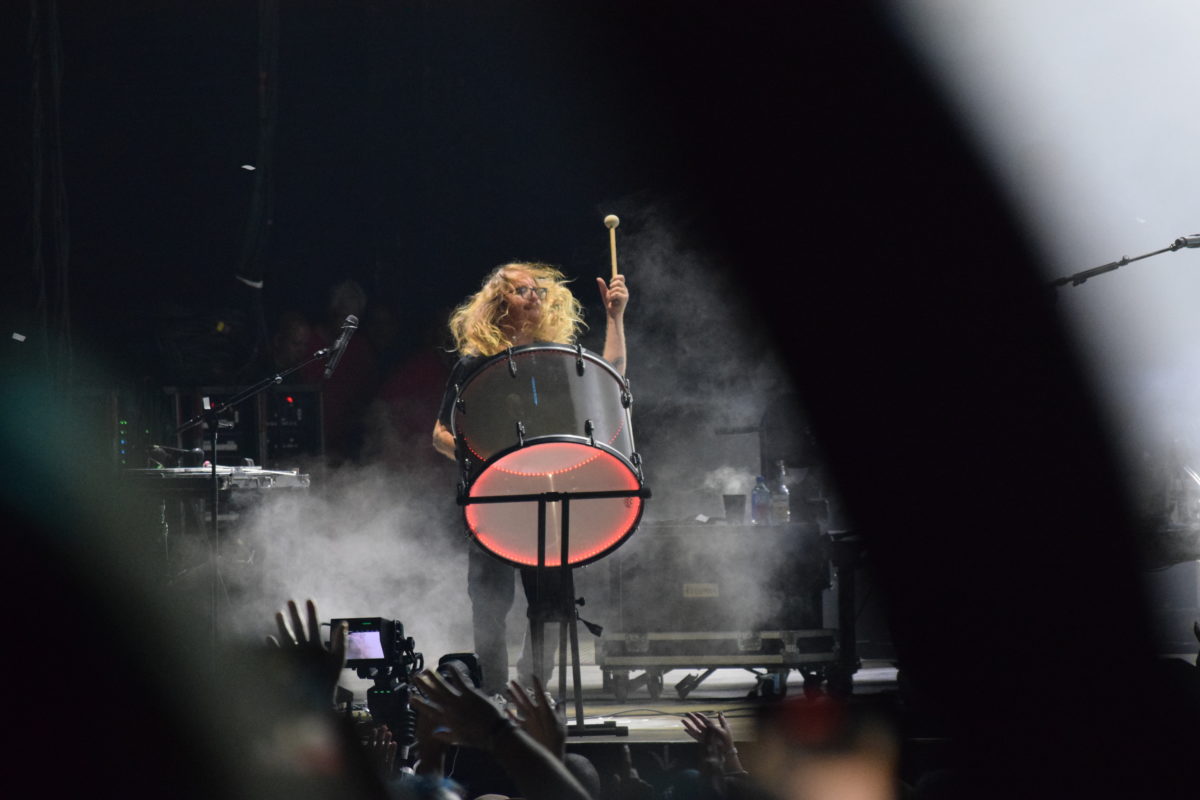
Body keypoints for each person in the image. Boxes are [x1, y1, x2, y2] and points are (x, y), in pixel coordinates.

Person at [432, 262, 629, 695]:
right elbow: (440, 434)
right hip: (494, 499)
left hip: (547, 495)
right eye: (523, 290)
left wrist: (615, 318)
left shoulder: (553, 359)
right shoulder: (474, 364)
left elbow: (608, 379)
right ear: (499, 303)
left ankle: (533, 691)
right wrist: (482, 461)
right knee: (490, 604)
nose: (535, 296)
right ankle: (492, 693)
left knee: (551, 605)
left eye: (539, 289)